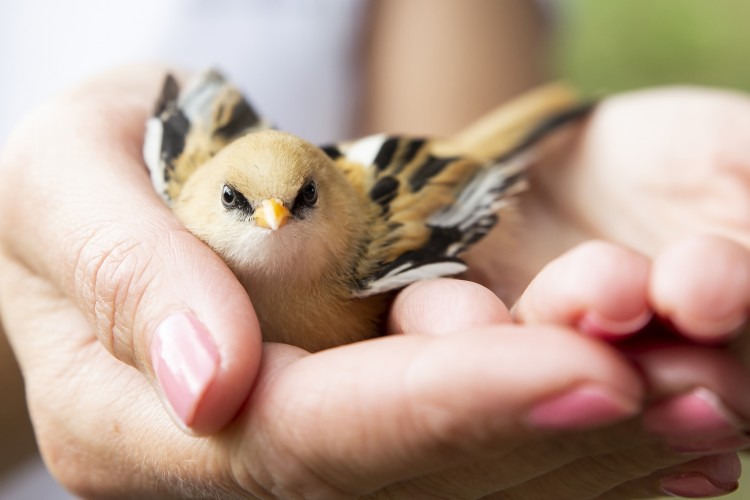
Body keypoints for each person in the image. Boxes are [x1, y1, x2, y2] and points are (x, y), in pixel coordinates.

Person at [1, 2, 749, 498]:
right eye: (243, 207)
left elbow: (453, 166)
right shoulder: (169, 185)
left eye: (299, 205)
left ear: (324, 192)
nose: (272, 222)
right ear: (203, 197)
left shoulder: (372, 254)